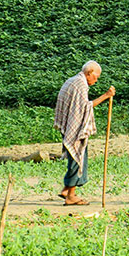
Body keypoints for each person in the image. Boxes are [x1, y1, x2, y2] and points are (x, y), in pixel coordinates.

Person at [54, 61, 115, 205]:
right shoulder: (80, 84)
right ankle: (71, 195)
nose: (96, 79)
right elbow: (84, 107)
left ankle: (66, 189)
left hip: (68, 125)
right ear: (89, 73)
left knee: (75, 156)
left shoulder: (73, 80)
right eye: (96, 76)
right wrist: (106, 95)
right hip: (74, 127)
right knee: (78, 157)